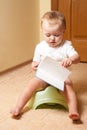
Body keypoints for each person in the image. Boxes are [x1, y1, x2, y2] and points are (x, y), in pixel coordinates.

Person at [10, 11, 80, 121]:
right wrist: (34, 65)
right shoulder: (40, 47)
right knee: (31, 84)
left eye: (57, 35)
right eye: (48, 35)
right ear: (42, 31)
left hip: (60, 76)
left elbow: (77, 57)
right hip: (44, 75)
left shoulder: (66, 45)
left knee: (68, 85)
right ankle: (18, 107)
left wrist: (70, 59)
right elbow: (34, 63)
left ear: (63, 32)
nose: (52, 38)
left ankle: (73, 110)